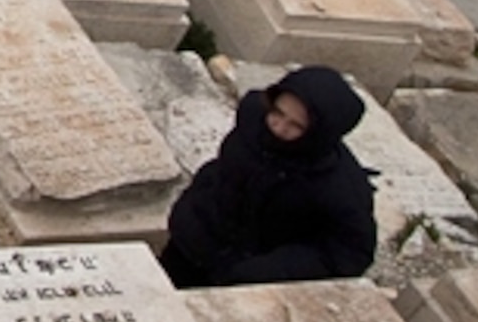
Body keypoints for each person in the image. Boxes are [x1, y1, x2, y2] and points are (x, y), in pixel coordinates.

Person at [158, 65, 378, 289]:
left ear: (320, 133)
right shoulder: (254, 118)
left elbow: (352, 253)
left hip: (242, 277)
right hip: (192, 245)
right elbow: (223, 169)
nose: (279, 127)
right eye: (278, 112)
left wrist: (266, 271)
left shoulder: (341, 188)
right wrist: (189, 214)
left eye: (296, 125)